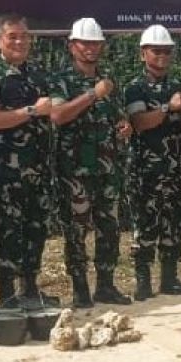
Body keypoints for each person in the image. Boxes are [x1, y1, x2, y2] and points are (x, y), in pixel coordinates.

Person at [0, 14, 56, 307]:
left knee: (36, 229)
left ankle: (31, 290)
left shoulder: (37, 73)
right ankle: (7, 296)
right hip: (6, 172)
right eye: (13, 37)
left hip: (37, 168)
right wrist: (32, 110)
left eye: (24, 36)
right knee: (9, 233)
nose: (20, 41)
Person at [50, 17, 132, 307]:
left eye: (95, 43)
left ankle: (106, 286)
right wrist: (92, 94)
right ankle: (80, 289)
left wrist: (124, 126)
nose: (90, 48)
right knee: (76, 231)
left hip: (107, 169)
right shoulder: (61, 80)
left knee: (109, 228)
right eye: (84, 43)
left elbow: (118, 116)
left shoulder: (108, 80)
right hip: (75, 172)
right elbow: (58, 116)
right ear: (73, 46)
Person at [125, 24, 181, 300]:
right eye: (156, 51)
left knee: (173, 224)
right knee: (145, 226)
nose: (162, 56)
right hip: (145, 171)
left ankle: (169, 278)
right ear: (144, 54)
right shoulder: (136, 87)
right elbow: (140, 122)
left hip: (175, 169)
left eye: (167, 51)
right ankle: (143, 282)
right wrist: (168, 107)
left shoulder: (177, 87)